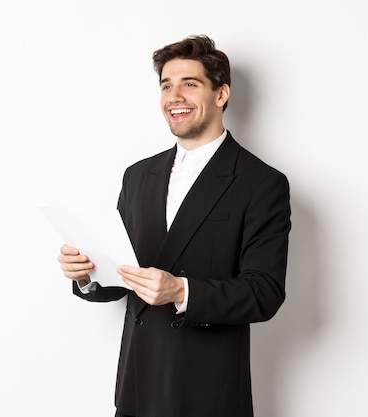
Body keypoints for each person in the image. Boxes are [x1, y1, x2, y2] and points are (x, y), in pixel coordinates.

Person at [58, 35, 291, 417]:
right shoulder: (137, 176)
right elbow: (120, 277)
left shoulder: (261, 183)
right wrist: (86, 273)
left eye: (190, 84)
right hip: (138, 385)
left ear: (221, 94)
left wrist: (182, 291)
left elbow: (264, 292)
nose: (174, 96)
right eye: (166, 85)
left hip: (208, 391)